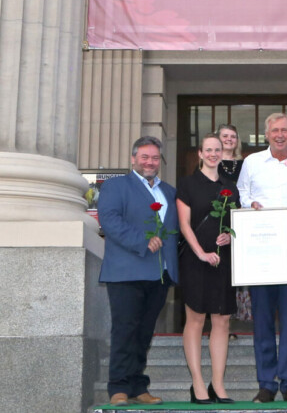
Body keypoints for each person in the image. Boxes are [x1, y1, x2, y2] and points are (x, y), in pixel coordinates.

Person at [236, 113, 287, 403]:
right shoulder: (252, 163)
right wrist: (250, 204)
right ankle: (266, 385)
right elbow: (241, 194)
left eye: (284, 130)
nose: (280, 134)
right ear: (266, 133)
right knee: (262, 321)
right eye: (275, 130)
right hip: (261, 251)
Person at [96, 136, 179, 406]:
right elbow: (109, 221)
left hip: (159, 274)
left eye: (155, 158)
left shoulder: (169, 191)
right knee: (125, 330)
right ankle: (118, 387)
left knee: (144, 333)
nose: (150, 162)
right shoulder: (115, 186)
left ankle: (137, 385)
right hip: (126, 272)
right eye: (144, 157)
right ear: (133, 159)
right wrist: (142, 241)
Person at [175, 134, 238, 404]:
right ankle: (198, 384)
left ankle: (218, 385)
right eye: (208, 149)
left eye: (218, 149)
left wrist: (229, 236)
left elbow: (234, 222)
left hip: (223, 260)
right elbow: (184, 224)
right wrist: (200, 253)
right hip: (195, 259)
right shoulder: (188, 184)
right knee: (197, 319)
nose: (213, 153)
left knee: (222, 320)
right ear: (200, 153)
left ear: (223, 153)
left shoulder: (230, 187)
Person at [216, 123, 252, 329]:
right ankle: (221, 321)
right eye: (225, 136)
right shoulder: (210, 163)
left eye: (233, 136)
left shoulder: (245, 164)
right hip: (217, 221)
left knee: (239, 272)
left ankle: (239, 320)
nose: (229, 139)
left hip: (240, 223)